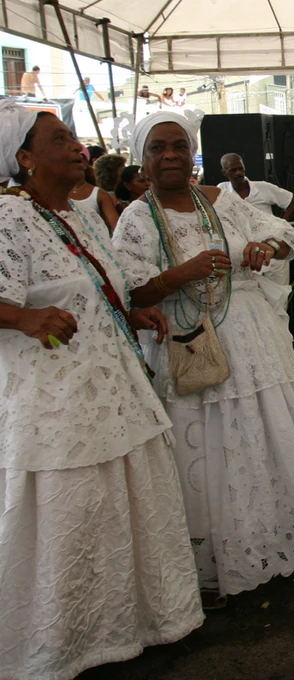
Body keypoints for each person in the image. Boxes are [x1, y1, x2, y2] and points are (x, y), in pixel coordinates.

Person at [113, 112, 294, 609]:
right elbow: (130, 289)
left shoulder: (220, 199)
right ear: (142, 159)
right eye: (158, 148)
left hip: (255, 342)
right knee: (208, 449)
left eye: (178, 145)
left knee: (271, 433)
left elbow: (283, 235)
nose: (169, 155)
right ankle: (216, 561)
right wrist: (181, 273)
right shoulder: (137, 219)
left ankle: (280, 540)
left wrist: (264, 247)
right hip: (194, 347)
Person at [0, 102, 203, 678]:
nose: (76, 146)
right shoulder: (8, 219)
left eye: (73, 137)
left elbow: (100, 287)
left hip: (114, 390)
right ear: (24, 158)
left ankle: (134, 624)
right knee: (74, 514)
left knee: (125, 504)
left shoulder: (83, 215)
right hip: (57, 402)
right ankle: (64, 643)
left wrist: (132, 313)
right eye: (59, 139)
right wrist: (25, 319)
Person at [217, 152, 294, 318]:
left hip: (273, 251)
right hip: (246, 255)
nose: (238, 173)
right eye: (233, 170)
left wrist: (281, 223)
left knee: (279, 300)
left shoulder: (262, 187)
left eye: (240, 168)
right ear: (224, 172)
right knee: (255, 302)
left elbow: (292, 199)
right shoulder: (221, 191)